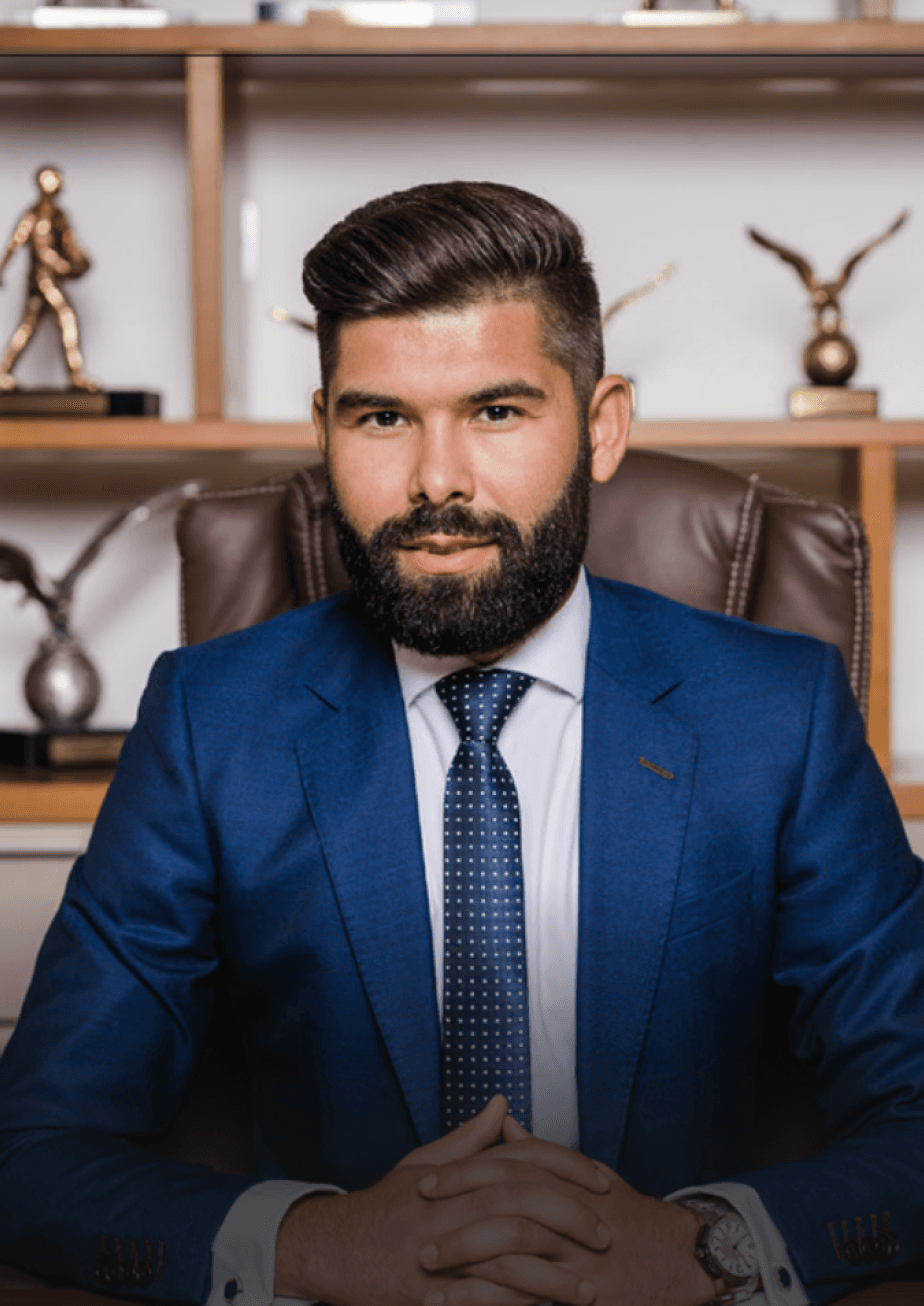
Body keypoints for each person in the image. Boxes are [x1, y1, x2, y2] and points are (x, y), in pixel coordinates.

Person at [1, 181, 922, 1306]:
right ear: (325, 430)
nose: (436, 480)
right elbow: (35, 1146)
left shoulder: (778, 713)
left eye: (496, 411)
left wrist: (707, 1250)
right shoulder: (210, 722)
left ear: (602, 426)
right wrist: (315, 1246)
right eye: (381, 416)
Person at [0, 165, 99, 394]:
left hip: (47, 279)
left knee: (27, 327)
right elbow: (26, 245)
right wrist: (62, 266)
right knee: (67, 317)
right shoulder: (36, 214)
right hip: (42, 279)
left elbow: (70, 244)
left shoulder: (58, 215)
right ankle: (75, 375)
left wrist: (82, 261)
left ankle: (4, 372)